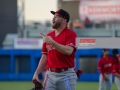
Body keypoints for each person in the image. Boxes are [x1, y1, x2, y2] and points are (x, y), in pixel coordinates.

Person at [32, 9, 79, 90]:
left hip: (66, 75)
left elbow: (69, 51)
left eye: (57, 16)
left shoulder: (71, 34)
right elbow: (44, 57)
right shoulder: (48, 36)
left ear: (64, 20)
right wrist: (36, 73)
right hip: (50, 74)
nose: (53, 18)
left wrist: (52, 42)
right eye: (53, 16)